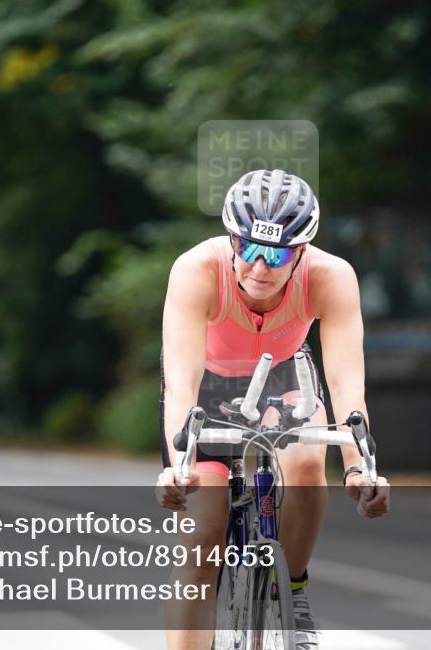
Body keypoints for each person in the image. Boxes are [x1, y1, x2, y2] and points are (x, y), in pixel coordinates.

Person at [155, 169, 391, 650]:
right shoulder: (196, 269)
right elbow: (182, 381)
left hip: (283, 374)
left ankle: (294, 592)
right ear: (232, 240)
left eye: (278, 254)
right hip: (208, 385)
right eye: (248, 249)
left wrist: (358, 469)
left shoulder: (331, 276)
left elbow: (346, 382)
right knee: (202, 537)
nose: (260, 267)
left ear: (301, 251)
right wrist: (180, 466)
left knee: (305, 466)